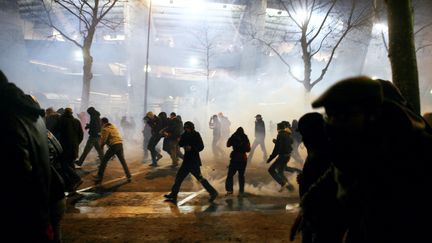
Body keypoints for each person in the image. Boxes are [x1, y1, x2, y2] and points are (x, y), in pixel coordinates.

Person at [306, 76, 431, 243]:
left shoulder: (417, 151)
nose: (335, 123)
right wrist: (310, 207)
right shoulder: (356, 143)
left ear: (372, 114)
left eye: (345, 116)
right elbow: (335, 176)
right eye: (330, 116)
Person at [0, 70, 52, 242]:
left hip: (18, 222)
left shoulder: (7, 119)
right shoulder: (34, 116)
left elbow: (15, 178)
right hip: (39, 215)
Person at [289, 113, 345, 243]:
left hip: (324, 216)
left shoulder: (326, 151)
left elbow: (328, 184)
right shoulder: (317, 148)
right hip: (312, 214)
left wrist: (306, 208)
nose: (302, 138)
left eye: (304, 133)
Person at [164, 121, 218, 204]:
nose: (187, 129)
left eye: (188, 128)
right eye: (185, 128)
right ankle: (174, 194)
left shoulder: (196, 135)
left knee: (200, 178)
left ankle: (213, 192)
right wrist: (180, 141)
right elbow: (181, 143)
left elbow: (201, 146)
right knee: (179, 178)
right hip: (187, 161)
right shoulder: (184, 134)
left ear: (192, 128)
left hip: (194, 161)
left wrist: (192, 148)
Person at [93, 117, 132, 184]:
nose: (100, 123)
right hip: (120, 144)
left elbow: (104, 140)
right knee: (123, 161)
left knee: (104, 161)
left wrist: (101, 146)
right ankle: (129, 175)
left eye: (100, 122)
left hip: (114, 145)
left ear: (103, 122)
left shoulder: (105, 129)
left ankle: (99, 177)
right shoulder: (113, 127)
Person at [55, 107, 84, 194]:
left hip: (64, 147)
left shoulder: (62, 120)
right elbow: (81, 135)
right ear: (71, 113)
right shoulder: (77, 121)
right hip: (74, 147)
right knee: (71, 165)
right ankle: (71, 185)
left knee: (64, 164)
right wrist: (76, 143)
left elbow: (55, 131)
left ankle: (77, 179)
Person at [267, 122, 295, 192]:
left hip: (282, 156)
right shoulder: (287, 134)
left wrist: (270, 158)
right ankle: (290, 188)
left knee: (271, 170)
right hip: (287, 156)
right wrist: (277, 141)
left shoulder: (280, 135)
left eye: (277, 128)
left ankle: (283, 183)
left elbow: (276, 149)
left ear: (278, 128)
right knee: (280, 171)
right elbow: (290, 142)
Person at [225, 127, 251, 196]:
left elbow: (228, 145)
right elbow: (248, 149)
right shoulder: (245, 137)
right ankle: (241, 191)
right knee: (241, 176)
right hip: (243, 159)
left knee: (230, 175)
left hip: (234, 158)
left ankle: (229, 190)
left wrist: (232, 139)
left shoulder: (234, 136)